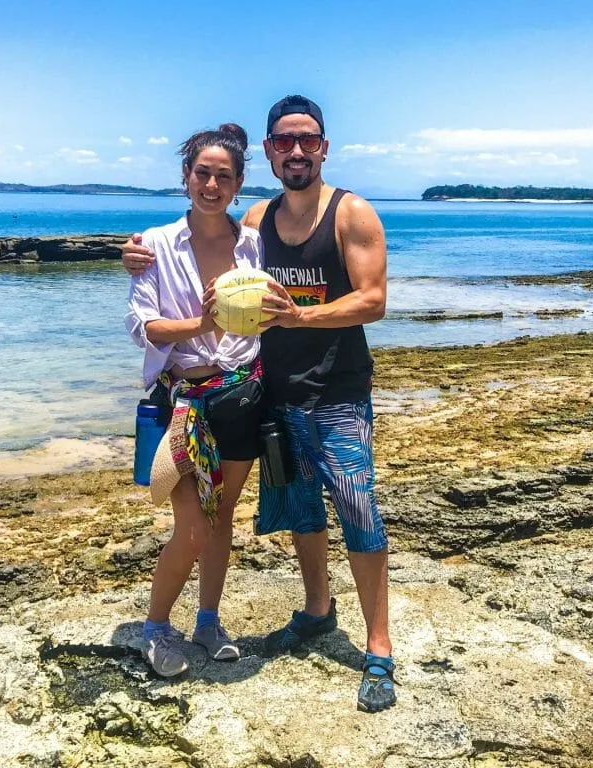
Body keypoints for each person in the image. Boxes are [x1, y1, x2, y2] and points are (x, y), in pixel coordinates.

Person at [123, 96, 396, 712]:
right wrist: (133, 252)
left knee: (358, 510)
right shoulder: (257, 224)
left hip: (337, 393)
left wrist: (300, 315)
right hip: (268, 393)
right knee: (300, 510)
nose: (296, 151)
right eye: (284, 141)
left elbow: (373, 300)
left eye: (308, 140)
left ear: (323, 147)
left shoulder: (351, 213)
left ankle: (378, 648)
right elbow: (191, 246)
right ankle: (316, 611)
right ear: (270, 153)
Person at [125, 122, 265, 677]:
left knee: (223, 514)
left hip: (241, 393)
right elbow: (144, 328)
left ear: (237, 184)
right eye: (202, 173)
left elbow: (277, 304)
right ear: (186, 178)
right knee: (192, 526)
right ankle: (155, 628)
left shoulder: (254, 244)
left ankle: (207, 621)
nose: (211, 184)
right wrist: (201, 321)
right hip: (183, 400)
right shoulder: (153, 245)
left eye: (223, 176)